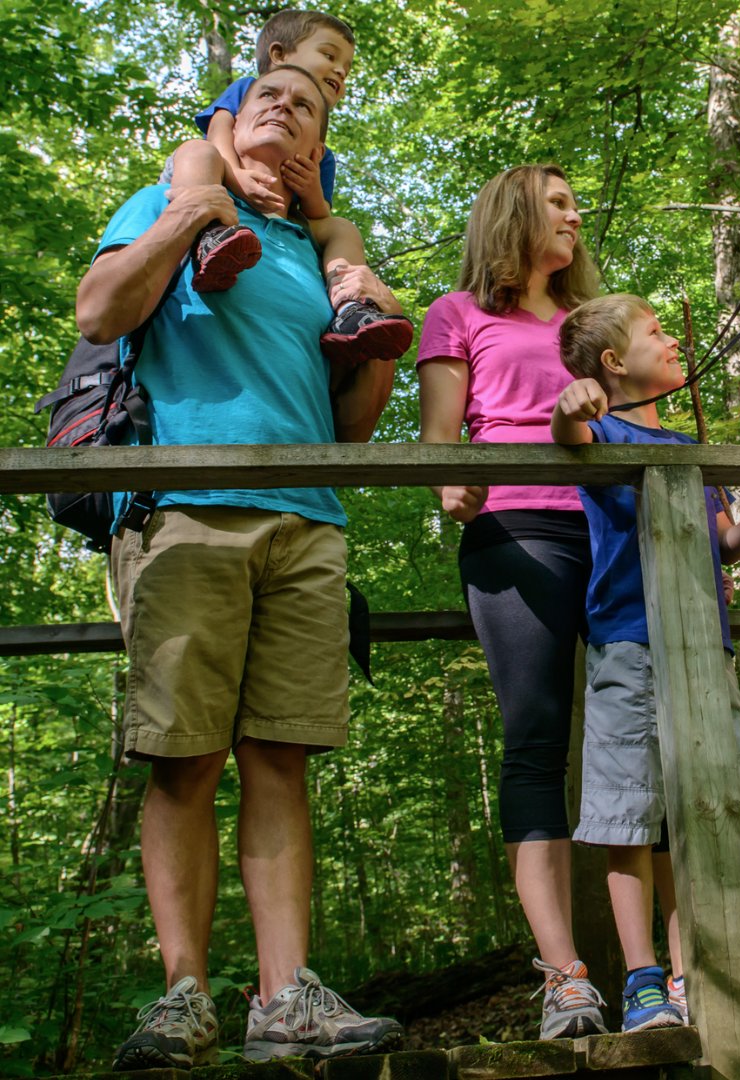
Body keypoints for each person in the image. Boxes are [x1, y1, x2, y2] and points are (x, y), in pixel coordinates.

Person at [75, 66, 402, 1068]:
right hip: (185, 511)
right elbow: (99, 312)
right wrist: (191, 214)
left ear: (316, 152)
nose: (284, 106)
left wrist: (379, 334)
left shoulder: (320, 255)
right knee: (184, 758)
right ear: (229, 120)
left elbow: (350, 426)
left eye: (306, 106)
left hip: (308, 523)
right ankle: (183, 994)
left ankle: (284, 996)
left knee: (280, 758)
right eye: (267, 94)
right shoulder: (167, 199)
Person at [552, 294, 740, 1030]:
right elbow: (567, 435)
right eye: (656, 332)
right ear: (613, 362)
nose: (672, 340)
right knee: (628, 811)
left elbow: (727, 543)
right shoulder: (601, 431)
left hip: (704, 648)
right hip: (628, 644)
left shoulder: (690, 445)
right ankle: (643, 980)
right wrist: (570, 404)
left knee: (706, 802)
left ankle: (703, 976)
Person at [417, 165, 607, 1039]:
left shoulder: (591, 321)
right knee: (536, 741)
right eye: (558, 202)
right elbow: (440, 441)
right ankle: (565, 979)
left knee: (649, 733)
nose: (574, 215)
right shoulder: (457, 313)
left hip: (614, 528)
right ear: (515, 212)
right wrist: (449, 485)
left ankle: (672, 971)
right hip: (517, 532)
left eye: (575, 204)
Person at [166, 8, 413, 365]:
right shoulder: (250, 90)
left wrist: (311, 191)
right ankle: (209, 236)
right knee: (197, 151)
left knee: (342, 228)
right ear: (279, 55)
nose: (340, 71)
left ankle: (351, 305)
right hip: (217, 184)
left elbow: (318, 216)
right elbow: (218, 131)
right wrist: (235, 176)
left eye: (346, 68)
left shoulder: (320, 152)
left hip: (274, 217)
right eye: (329, 55)